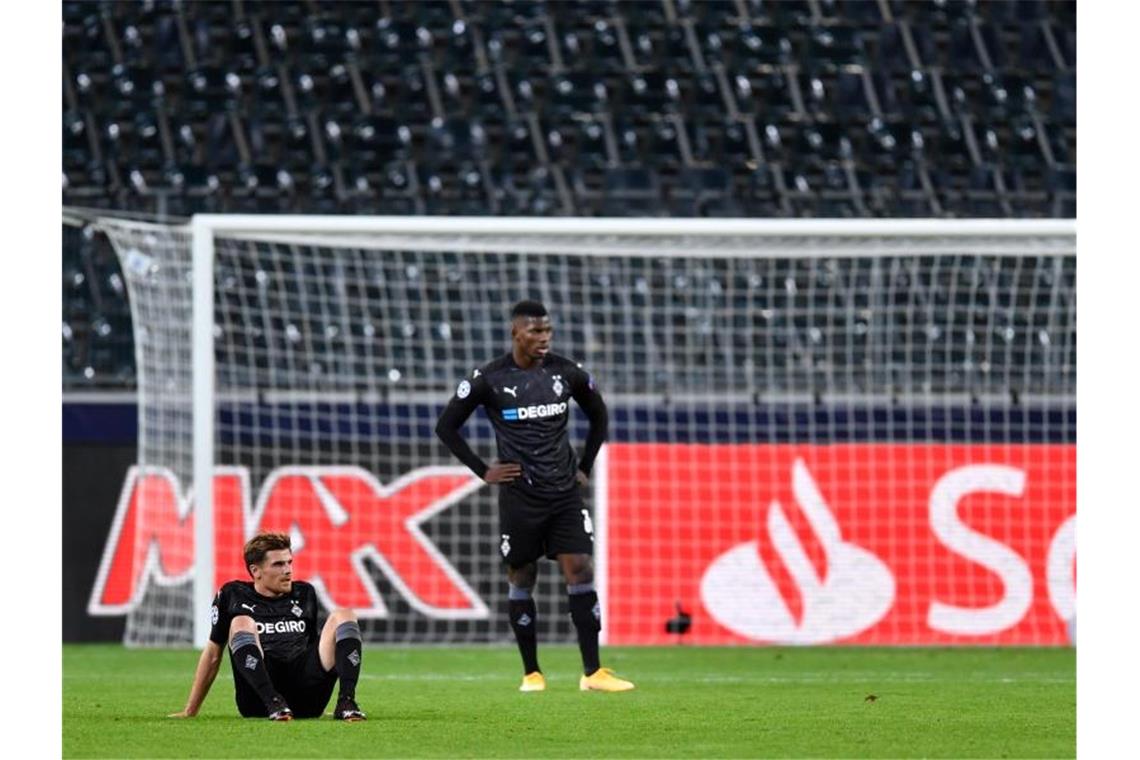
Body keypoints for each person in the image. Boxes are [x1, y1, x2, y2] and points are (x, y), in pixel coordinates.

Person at [435, 300, 634, 693]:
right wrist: (484, 470)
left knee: (580, 568)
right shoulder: (488, 378)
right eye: (536, 332)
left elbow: (600, 414)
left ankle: (592, 672)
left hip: (563, 494)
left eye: (548, 331)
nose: (544, 339)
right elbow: (447, 427)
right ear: (516, 333)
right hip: (520, 498)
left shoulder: (566, 372)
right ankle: (532, 673)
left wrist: (585, 467)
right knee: (523, 574)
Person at [168, 532, 368, 721]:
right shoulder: (232, 595)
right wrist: (190, 710)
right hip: (258, 702)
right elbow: (213, 653)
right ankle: (273, 700)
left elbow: (315, 651)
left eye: (289, 562)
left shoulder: (305, 593)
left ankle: (346, 702)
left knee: (344, 615)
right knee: (240, 622)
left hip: (307, 700)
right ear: (256, 571)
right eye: (278, 564)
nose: (288, 570)